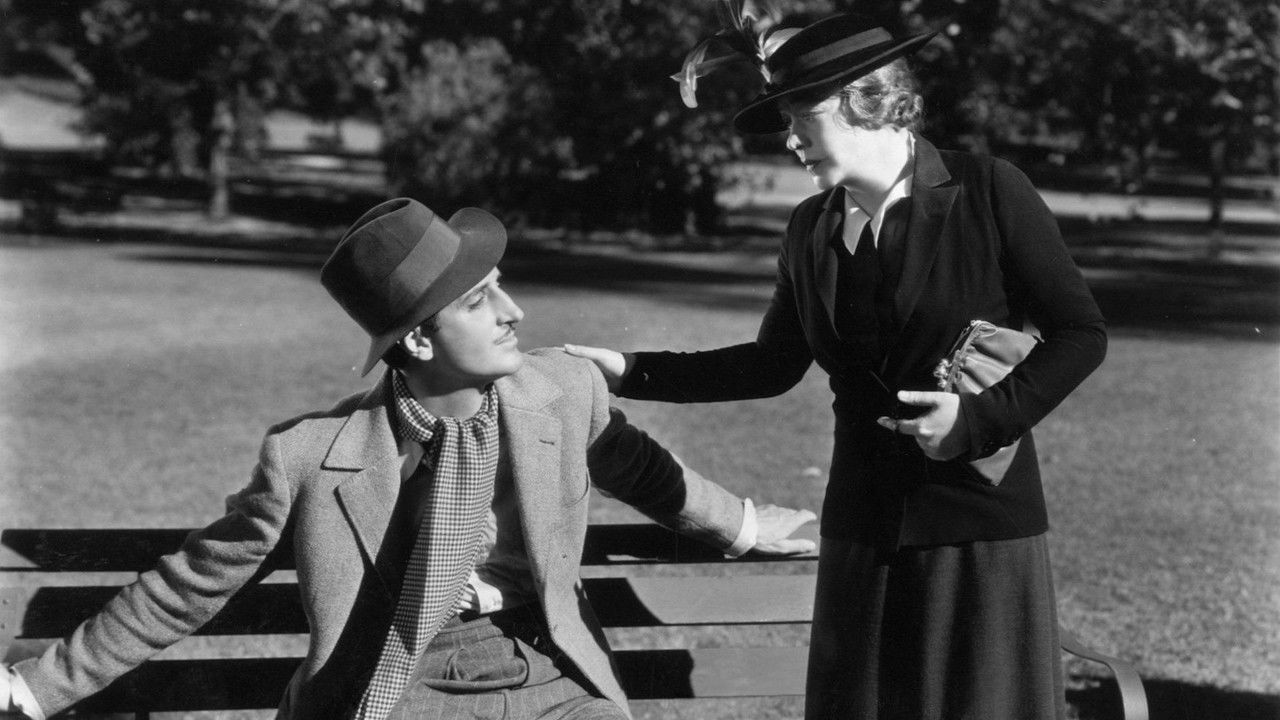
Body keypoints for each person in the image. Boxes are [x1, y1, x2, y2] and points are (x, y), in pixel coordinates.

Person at [0, 197, 815, 720]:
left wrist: (745, 525)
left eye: (501, 285)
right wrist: (38, 686)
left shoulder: (563, 392)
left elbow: (641, 470)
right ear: (419, 338)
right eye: (478, 300)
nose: (513, 310)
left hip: (549, 673)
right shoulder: (312, 459)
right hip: (401, 686)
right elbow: (186, 589)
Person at [565, 13, 1107, 720]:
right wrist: (629, 369)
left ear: (864, 97)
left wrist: (978, 419)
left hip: (978, 532)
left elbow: (1081, 333)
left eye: (801, 116)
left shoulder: (989, 191)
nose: (789, 140)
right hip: (861, 534)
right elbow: (771, 364)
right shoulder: (811, 228)